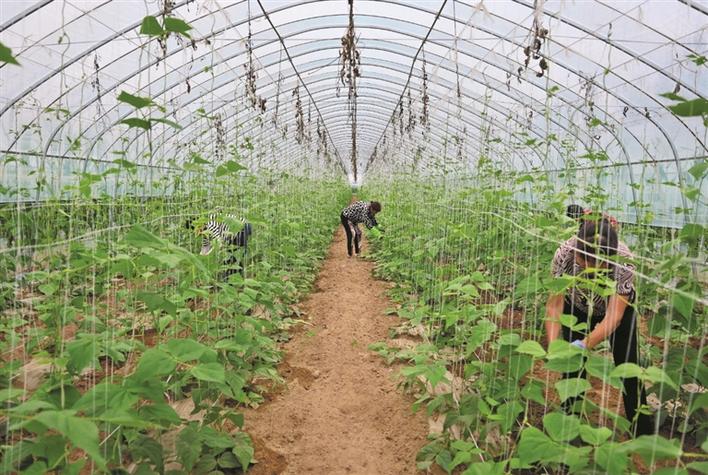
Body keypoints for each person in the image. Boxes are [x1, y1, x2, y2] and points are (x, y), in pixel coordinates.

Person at [545, 217, 653, 436]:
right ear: (577, 250)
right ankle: (567, 429)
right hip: (577, 306)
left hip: (614, 310)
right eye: (584, 260)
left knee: (628, 367)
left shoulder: (624, 261)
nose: (590, 268)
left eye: (599, 262)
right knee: (572, 368)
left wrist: (583, 345)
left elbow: (614, 317)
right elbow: (554, 306)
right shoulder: (565, 253)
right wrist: (554, 347)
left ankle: (642, 432)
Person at [186, 214, 252, 278]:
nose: (198, 233)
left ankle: (231, 278)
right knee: (232, 255)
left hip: (241, 226)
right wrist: (198, 260)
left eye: (197, 230)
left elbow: (218, 244)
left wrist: (207, 256)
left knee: (230, 255)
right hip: (235, 230)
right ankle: (236, 274)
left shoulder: (209, 224)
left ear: (198, 225)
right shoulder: (204, 229)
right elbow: (205, 246)